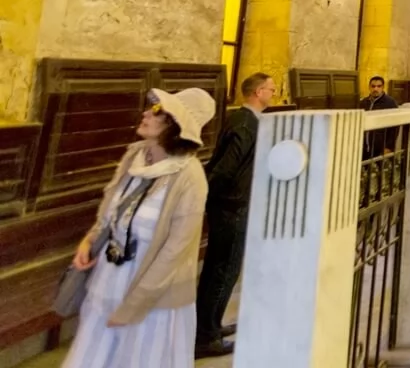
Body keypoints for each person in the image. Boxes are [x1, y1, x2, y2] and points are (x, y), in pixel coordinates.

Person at [63, 88, 216, 368]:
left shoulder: (189, 177)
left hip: (152, 295)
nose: (146, 113)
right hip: (109, 278)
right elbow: (111, 208)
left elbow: (174, 251)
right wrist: (90, 240)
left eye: (157, 111)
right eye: (150, 108)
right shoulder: (135, 156)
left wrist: (134, 305)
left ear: (175, 125)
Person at [194, 72, 275, 358]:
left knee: (222, 269)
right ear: (257, 92)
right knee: (223, 270)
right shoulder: (245, 123)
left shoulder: (246, 120)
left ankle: (210, 325)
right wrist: (217, 199)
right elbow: (227, 168)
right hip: (231, 206)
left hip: (230, 204)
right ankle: (205, 336)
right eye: (270, 88)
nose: (274, 92)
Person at [362, 75, 400, 160]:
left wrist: (389, 146)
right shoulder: (364, 102)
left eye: (379, 86)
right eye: (373, 86)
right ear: (369, 87)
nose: (375, 89)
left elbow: (395, 126)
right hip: (365, 146)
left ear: (383, 87)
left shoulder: (390, 103)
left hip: (381, 146)